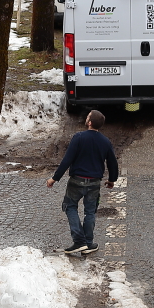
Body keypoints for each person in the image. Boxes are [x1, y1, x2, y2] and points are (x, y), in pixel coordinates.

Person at [47, 109, 119, 255]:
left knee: (70, 207)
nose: (86, 118)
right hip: (94, 183)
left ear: (90, 122)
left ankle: (79, 241)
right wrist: (112, 180)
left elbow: (67, 159)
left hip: (76, 181)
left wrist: (55, 178)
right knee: (90, 212)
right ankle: (88, 243)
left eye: (87, 117)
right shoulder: (105, 141)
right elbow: (112, 163)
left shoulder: (78, 137)